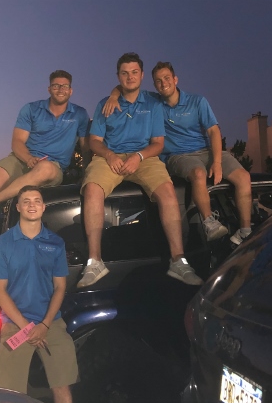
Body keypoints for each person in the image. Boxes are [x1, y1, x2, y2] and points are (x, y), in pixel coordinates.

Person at [77, 52, 203, 289]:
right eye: (124, 73)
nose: (130, 77)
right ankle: (95, 262)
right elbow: (94, 141)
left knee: (168, 192)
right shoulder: (105, 104)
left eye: (135, 72)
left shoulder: (154, 103)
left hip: (144, 157)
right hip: (110, 157)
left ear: (142, 75)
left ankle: (178, 261)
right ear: (118, 76)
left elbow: (158, 143)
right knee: (92, 190)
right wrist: (109, 155)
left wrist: (139, 156)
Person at [104, 61, 252, 244]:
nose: (163, 83)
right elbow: (126, 85)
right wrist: (113, 96)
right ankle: (209, 223)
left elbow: (214, 131)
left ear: (175, 79)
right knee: (198, 174)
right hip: (179, 156)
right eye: (158, 81)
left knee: (244, 177)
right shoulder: (153, 102)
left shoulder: (197, 101)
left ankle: (245, 231)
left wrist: (217, 162)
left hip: (207, 151)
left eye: (167, 78)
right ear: (154, 85)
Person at [0, 185, 78, 403]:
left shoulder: (55, 243)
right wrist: (26, 327)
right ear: (18, 207)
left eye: (37, 200)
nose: (32, 205)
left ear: (43, 207)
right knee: (10, 396)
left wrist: (44, 325)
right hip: (15, 326)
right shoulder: (3, 244)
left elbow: (60, 287)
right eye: (26, 201)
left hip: (51, 324)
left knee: (62, 386)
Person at [0, 70, 89, 226]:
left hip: (52, 166)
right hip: (23, 158)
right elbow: (17, 141)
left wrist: (86, 174)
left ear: (71, 90)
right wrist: (28, 158)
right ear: (49, 89)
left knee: (45, 168)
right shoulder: (31, 109)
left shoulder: (80, 114)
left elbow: (85, 148)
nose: (61, 89)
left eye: (65, 86)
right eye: (56, 86)